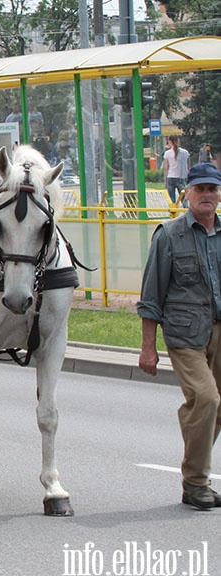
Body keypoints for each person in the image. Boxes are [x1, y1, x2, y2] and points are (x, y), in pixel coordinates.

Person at [137, 162, 221, 511]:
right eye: (199, 189)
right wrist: (148, 349)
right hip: (186, 333)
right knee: (206, 399)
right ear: (187, 193)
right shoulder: (169, 235)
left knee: (213, 406)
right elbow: (151, 295)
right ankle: (196, 482)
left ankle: (193, 459)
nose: (207, 195)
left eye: (212, 189)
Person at [163, 135, 190, 205]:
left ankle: (173, 213)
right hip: (181, 177)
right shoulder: (185, 152)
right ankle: (186, 211)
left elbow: (165, 167)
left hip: (171, 176)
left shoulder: (167, 153)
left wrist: (165, 180)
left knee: (172, 200)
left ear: (170, 141)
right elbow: (187, 165)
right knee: (184, 199)